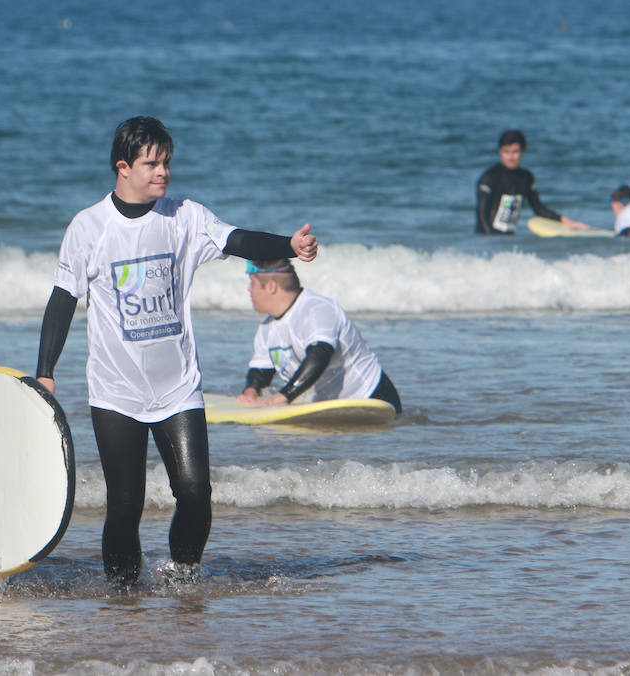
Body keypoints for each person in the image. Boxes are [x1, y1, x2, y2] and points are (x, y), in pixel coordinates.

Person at [34, 116, 318, 588]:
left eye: (166, 162)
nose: (163, 171)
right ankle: (123, 592)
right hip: (115, 390)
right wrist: (45, 371)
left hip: (178, 387)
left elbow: (236, 239)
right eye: (151, 163)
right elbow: (63, 300)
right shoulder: (88, 227)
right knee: (126, 502)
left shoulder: (185, 217)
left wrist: (286, 245)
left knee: (195, 493)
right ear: (123, 167)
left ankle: (182, 577)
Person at [236, 258, 401, 413]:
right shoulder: (267, 327)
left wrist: (280, 398)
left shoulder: (317, 309)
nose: (249, 289)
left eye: (252, 283)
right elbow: (261, 371)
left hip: (371, 400)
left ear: (272, 286)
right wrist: (251, 392)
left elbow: (320, 355)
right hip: (327, 410)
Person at [476, 129, 590, 235]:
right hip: (487, 239)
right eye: (506, 152)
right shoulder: (489, 177)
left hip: (508, 238)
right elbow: (482, 216)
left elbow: (539, 209)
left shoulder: (526, 178)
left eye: (515, 152)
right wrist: (490, 240)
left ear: (523, 151)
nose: (510, 157)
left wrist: (567, 222)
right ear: (500, 151)